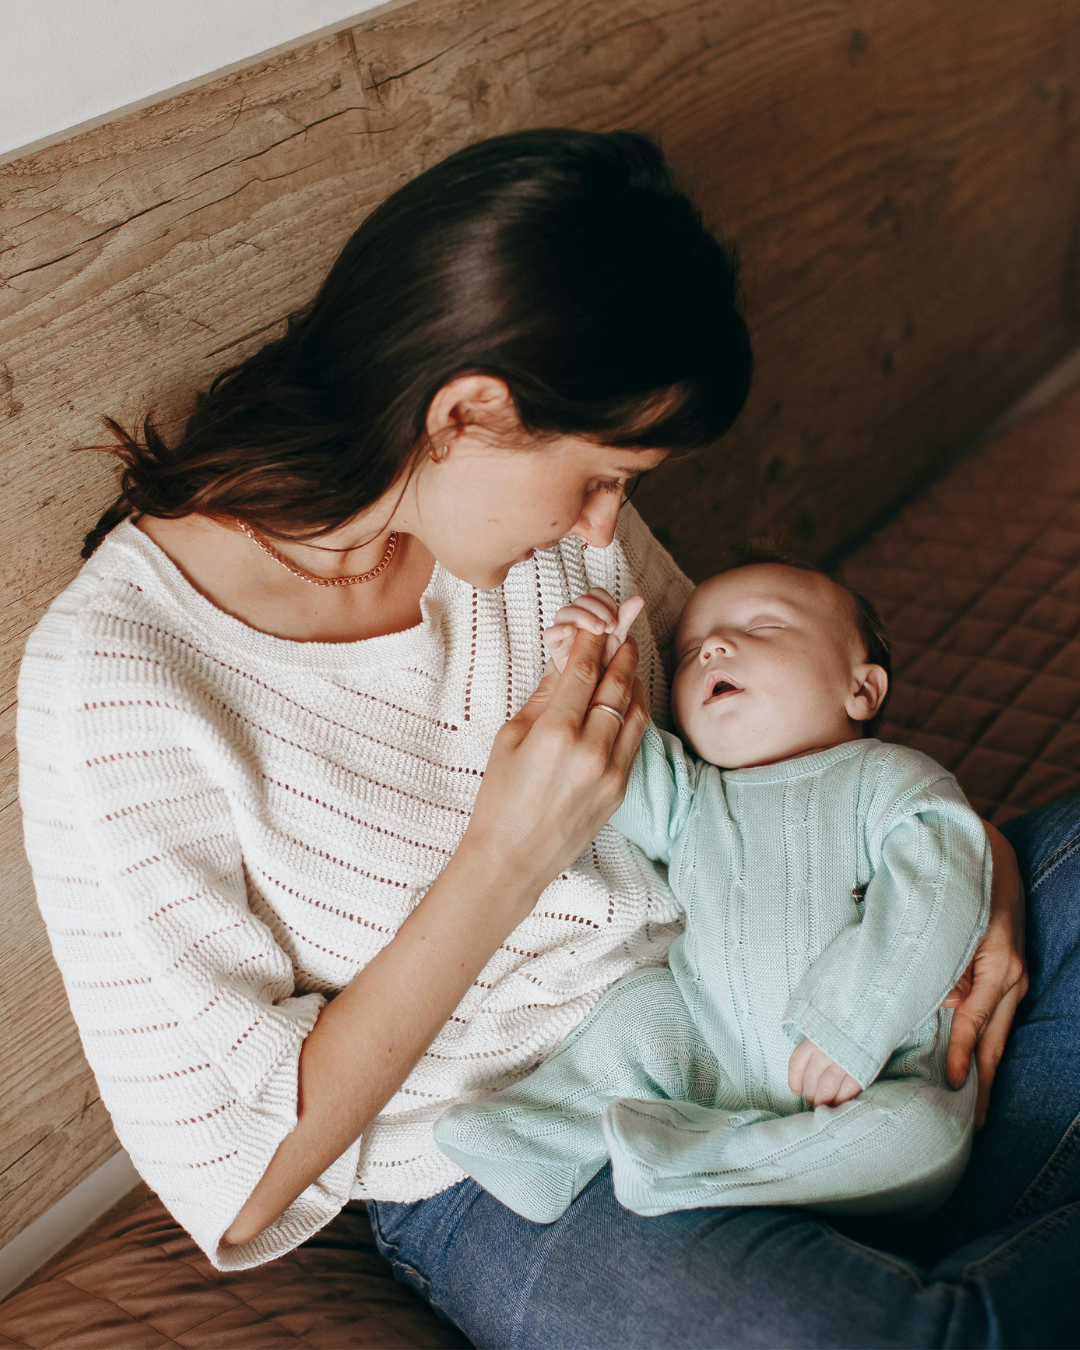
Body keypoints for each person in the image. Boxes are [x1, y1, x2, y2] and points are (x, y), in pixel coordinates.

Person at [15, 128, 1077, 1346]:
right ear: (467, 410)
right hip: (525, 1152)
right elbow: (238, 1168)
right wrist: (507, 852)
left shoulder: (534, 535)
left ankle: (895, 1219)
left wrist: (968, 862)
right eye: (600, 478)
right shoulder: (118, 679)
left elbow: (771, 753)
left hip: (772, 979)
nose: (603, 527)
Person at [435, 563, 991, 1223]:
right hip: (712, 1060)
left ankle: (689, 1167)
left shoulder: (893, 782)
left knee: (923, 1133)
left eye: (763, 626)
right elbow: (617, 779)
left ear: (861, 689)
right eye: (693, 651)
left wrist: (853, 1027)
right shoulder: (696, 797)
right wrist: (582, 678)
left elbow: (933, 899)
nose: (715, 649)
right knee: (641, 1014)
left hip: (875, 1072)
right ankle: (535, 1136)